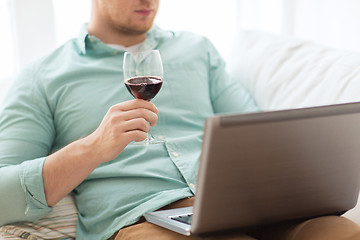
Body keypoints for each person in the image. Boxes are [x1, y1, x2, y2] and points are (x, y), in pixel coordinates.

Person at [0, 0, 359, 240]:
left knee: (342, 232)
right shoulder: (42, 76)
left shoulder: (196, 49)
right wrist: (93, 148)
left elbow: (259, 132)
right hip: (143, 220)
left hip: (242, 206)